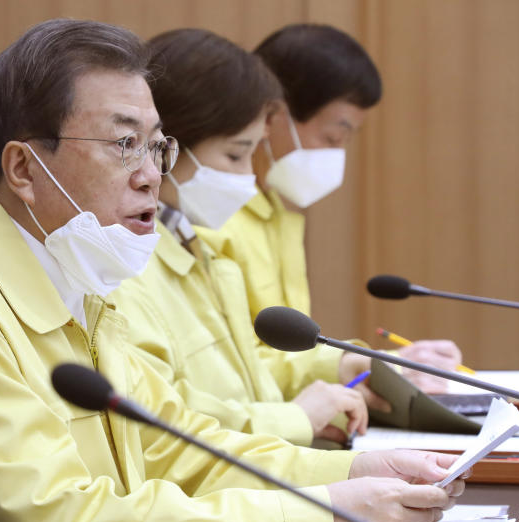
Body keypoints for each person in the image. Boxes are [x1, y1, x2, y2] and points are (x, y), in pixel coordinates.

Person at [0, 18, 463, 522]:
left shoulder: (78, 279)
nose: (150, 177)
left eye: (156, 147)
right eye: (123, 144)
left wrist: (350, 471)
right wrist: (324, 521)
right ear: (24, 167)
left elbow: (177, 450)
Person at [111, 28, 371, 446]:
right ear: (165, 146)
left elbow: (249, 382)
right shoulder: (124, 267)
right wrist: (293, 419)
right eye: (235, 154)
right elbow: (162, 425)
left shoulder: (199, 248)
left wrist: (312, 405)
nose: (249, 177)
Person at [202, 23, 462, 394]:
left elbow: (284, 356)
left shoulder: (274, 213)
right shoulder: (212, 219)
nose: (336, 153)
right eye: (332, 137)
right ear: (271, 115)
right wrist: (359, 365)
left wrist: (384, 368)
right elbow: (232, 371)